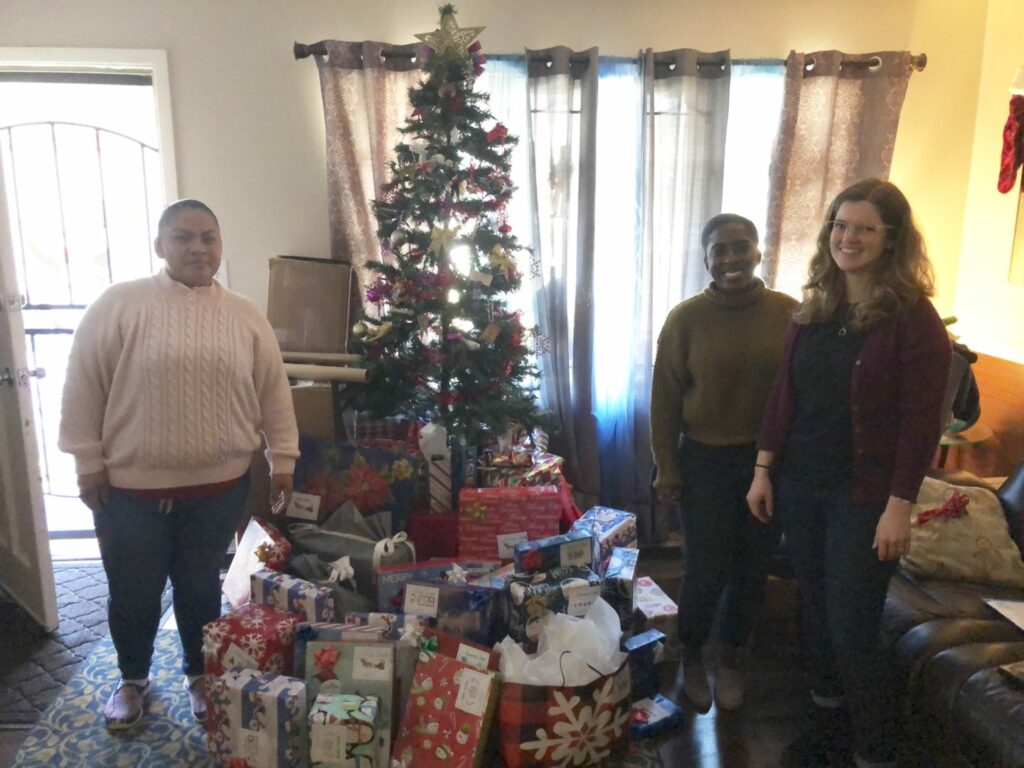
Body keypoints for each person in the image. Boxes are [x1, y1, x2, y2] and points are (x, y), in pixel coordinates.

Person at [58, 199, 299, 730]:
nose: (197, 248)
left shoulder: (243, 313)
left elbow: (273, 393)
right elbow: (83, 386)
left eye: (208, 237)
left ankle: (199, 674)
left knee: (200, 589)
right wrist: (87, 463)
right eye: (183, 237)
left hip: (218, 490)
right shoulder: (119, 305)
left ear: (219, 244)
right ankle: (132, 680)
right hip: (129, 492)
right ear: (160, 246)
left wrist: (282, 459)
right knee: (134, 590)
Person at [746, 179, 951, 768]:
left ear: (891, 239)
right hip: (802, 486)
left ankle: (877, 748)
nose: (848, 237)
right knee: (813, 607)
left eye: (864, 227)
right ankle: (829, 720)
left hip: (864, 499)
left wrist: (899, 506)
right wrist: (764, 471)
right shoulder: (814, 308)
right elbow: (785, 396)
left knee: (853, 621)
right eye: (840, 224)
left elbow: (920, 422)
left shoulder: (914, 320)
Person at [650, 213, 797, 712]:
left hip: (768, 464)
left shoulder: (789, 314)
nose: (731, 258)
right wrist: (667, 469)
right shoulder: (686, 319)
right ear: (707, 259)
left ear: (759, 251)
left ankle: (733, 655)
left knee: (752, 566)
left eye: (741, 247)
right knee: (705, 566)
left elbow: (801, 393)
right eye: (719, 250)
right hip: (705, 462)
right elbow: (664, 402)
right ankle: (691, 651)